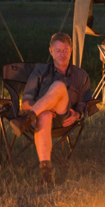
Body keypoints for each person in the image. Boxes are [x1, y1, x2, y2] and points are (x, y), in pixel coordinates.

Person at [10, 32, 92, 188]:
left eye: (65, 51)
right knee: (45, 114)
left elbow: (85, 102)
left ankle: (25, 121)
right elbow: (25, 103)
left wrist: (78, 114)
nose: (62, 54)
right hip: (41, 120)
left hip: (64, 118)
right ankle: (46, 175)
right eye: (58, 50)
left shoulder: (81, 75)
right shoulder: (40, 72)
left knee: (59, 86)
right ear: (51, 51)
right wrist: (44, 107)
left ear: (71, 51)